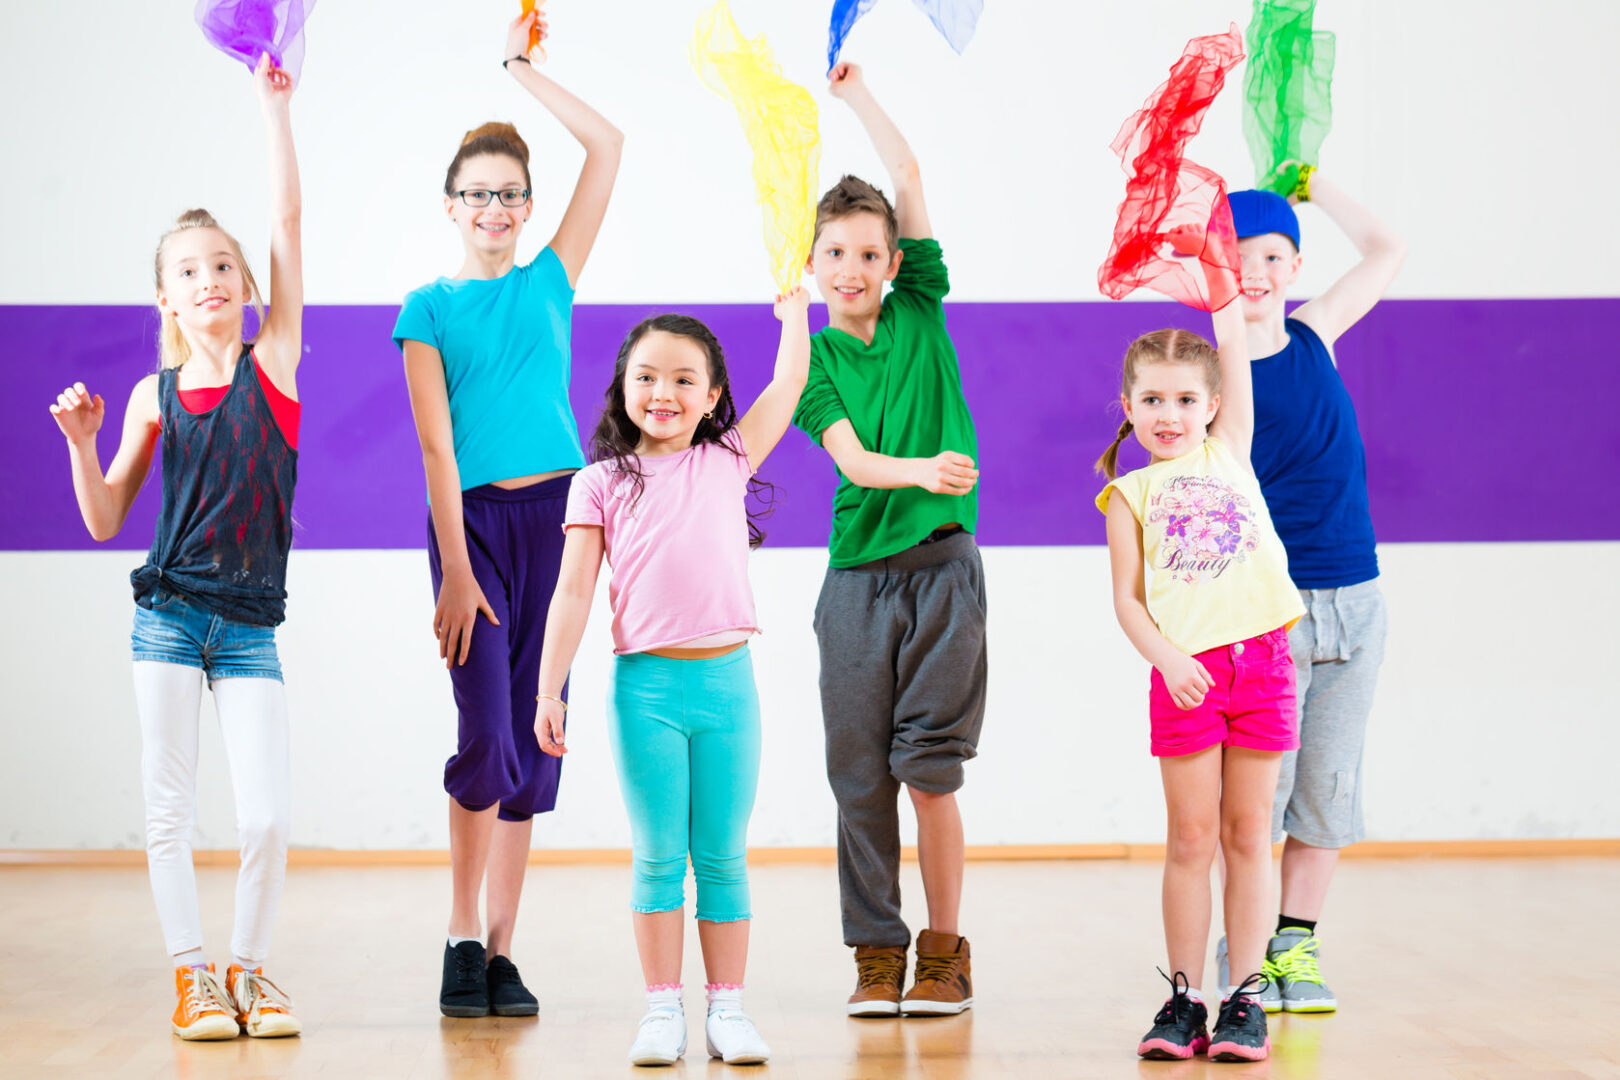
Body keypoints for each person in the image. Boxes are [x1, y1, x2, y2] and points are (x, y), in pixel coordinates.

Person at [48, 54, 305, 1040]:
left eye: (222, 266)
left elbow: (285, 224)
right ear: (165, 297)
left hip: (247, 627)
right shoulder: (156, 397)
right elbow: (107, 517)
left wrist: (271, 109)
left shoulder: (273, 366)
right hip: (166, 618)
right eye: (188, 271)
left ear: (245, 286)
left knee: (268, 817)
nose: (210, 279)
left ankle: (248, 971)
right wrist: (80, 447)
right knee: (169, 809)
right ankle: (192, 977)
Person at [391, 9, 622, 1018]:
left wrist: (524, 74)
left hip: (562, 526)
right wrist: (454, 566)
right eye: (477, 192)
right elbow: (438, 447)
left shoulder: (550, 279)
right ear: (450, 203)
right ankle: (456, 934)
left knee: (533, 743)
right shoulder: (426, 310)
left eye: (510, 194)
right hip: (474, 531)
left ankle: (500, 952)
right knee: (484, 733)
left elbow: (609, 147)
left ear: (528, 207)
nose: (494, 206)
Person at [534, 293, 810, 1065]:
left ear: (714, 396)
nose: (664, 393)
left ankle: (728, 1009)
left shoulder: (727, 458)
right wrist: (549, 688)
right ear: (624, 386)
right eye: (648, 377)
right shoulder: (597, 482)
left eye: (686, 380)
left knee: (721, 855)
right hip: (645, 694)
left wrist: (797, 312)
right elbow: (574, 592)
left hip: (727, 688)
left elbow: (788, 386)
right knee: (658, 856)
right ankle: (662, 1010)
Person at [791, 62, 985, 1018]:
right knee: (859, 778)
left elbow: (906, 167)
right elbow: (856, 462)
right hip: (857, 587)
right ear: (815, 261)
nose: (856, 269)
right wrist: (925, 470)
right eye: (838, 253)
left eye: (871, 253)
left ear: (894, 263)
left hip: (943, 575)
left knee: (928, 769)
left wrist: (856, 95)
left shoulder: (919, 306)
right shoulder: (811, 362)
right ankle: (877, 951)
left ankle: (946, 952)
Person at [1212, 171, 1406, 1014]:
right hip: (1269, 611)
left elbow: (1388, 249)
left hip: (1356, 601)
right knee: (1261, 796)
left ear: (1294, 266)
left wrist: (1315, 185)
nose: (1256, 270)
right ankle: (1247, 948)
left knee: (1327, 788)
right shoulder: (1214, 368)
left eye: (1273, 255)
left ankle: (1296, 945)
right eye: (1239, 256)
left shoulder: (1316, 333)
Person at [1095, 285, 1305, 1062]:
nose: (1169, 414)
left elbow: (1236, 345)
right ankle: (1184, 998)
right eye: (1152, 398)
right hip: (1185, 675)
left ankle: (1244, 995)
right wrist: (1170, 659)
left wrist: (1212, 278)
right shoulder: (1129, 493)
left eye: (1186, 398)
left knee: (1250, 833)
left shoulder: (1232, 451)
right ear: (1128, 402)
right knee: (1190, 838)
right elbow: (1127, 601)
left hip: (1264, 668)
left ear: (1214, 403)